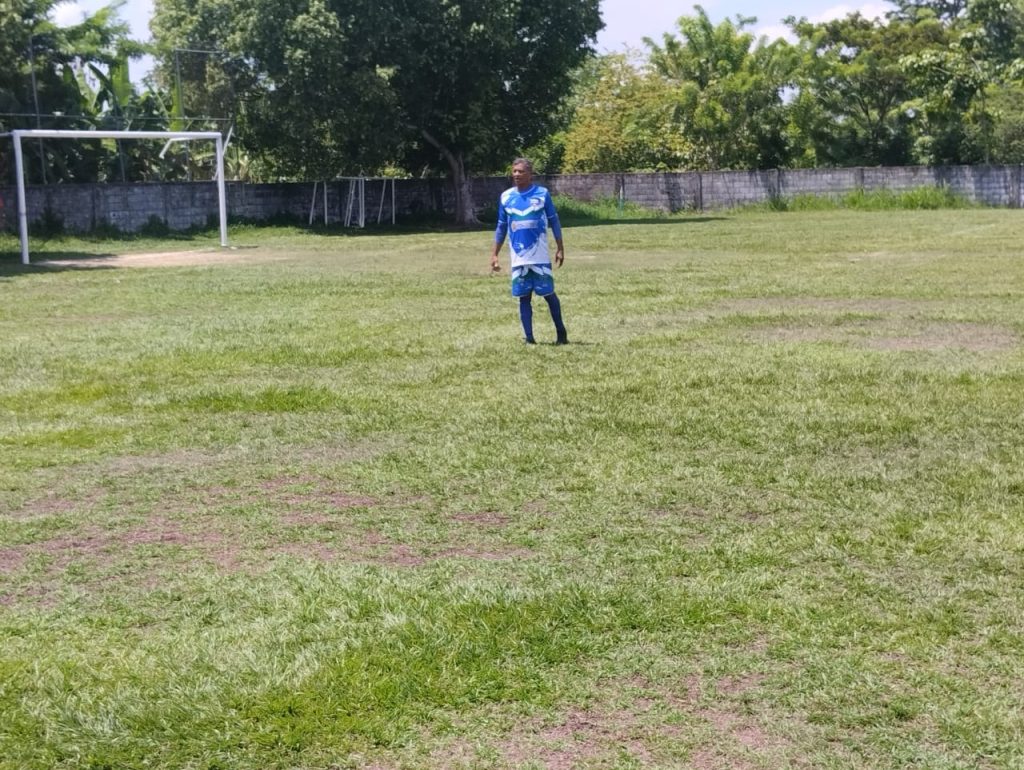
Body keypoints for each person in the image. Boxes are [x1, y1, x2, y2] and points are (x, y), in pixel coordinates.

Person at [490, 158, 568, 345]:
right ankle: (529, 338)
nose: (516, 174)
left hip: (540, 256)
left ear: (530, 174)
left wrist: (560, 248)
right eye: (514, 171)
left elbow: (554, 220)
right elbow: (501, 227)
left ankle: (561, 333)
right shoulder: (506, 197)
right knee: (523, 297)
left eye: (521, 171)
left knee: (549, 294)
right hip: (519, 258)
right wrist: (494, 254)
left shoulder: (542, 194)